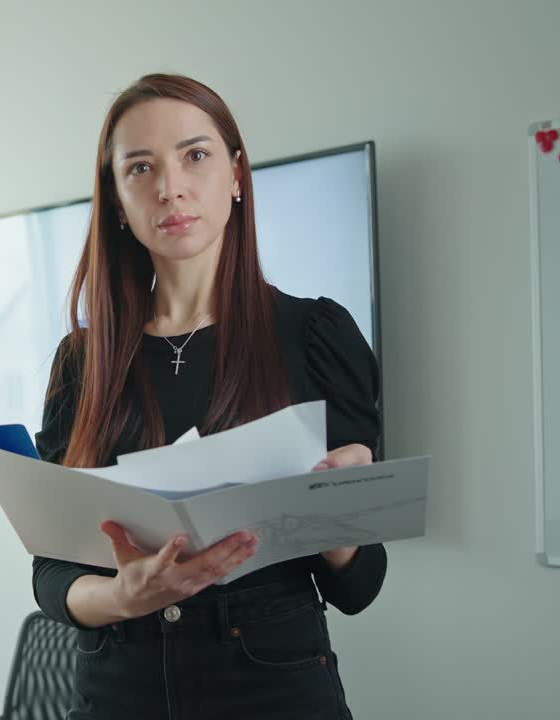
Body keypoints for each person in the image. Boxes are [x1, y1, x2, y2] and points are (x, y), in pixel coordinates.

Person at [32, 74, 386, 719]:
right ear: (116, 198)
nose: (170, 187)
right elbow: (52, 574)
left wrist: (330, 513)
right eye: (140, 167)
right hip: (118, 686)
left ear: (236, 175)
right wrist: (121, 598)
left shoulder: (316, 336)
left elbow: (362, 585)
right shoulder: (81, 362)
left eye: (195, 155)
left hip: (272, 684)